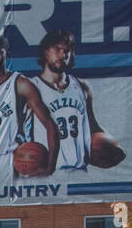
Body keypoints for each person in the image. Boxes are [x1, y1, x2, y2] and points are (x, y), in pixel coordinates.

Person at [0, 34, 60, 182]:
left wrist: (51, 165)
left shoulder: (21, 84)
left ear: (7, 55)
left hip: (10, 160)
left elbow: (50, 125)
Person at [29, 31, 125, 169]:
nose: (63, 55)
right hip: (47, 174)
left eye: (67, 51)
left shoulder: (82, 87)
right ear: (45, 52)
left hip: (78, 170)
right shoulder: (31, 88)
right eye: (57, 49)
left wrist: (114, 147)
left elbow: (93, 126)